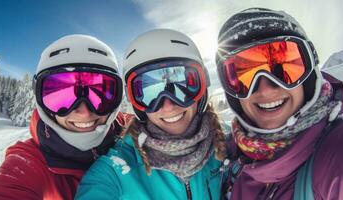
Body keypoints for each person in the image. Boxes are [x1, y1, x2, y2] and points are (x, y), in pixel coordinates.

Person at [215, 8, 343, 200]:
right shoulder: (234, 153)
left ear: (308, 76)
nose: (265, 89)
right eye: (244, 75)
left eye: (285, 67)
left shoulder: (338, 154)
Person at [0, 35, 131, 199]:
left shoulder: (132, 133)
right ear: (40, 99)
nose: (84, 112)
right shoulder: (32, 162)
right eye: (63, 94)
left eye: (100, 93)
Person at [75, 29, 228, 200]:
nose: (168, 106)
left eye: (182, 85)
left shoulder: (230, 144)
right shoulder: (115, 170)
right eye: (149, 93)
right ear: (136, 103)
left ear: (202, 84)